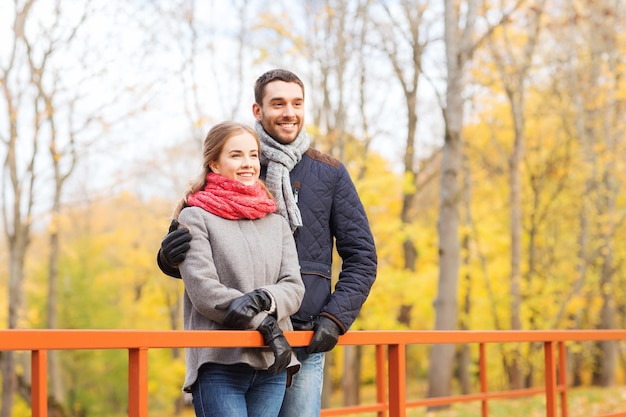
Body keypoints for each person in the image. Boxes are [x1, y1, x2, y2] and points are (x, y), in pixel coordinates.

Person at [158, 69, 378, 417]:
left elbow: (362, 257)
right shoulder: (240, 160)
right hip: (236, 338)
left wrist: (336, 318)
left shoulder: (330, 171)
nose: (289, 112)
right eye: (278, 103)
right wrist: (167, 258)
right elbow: (200, 258)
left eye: (296, 103)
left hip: (304, 334)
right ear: (258, 110)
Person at [173, 121, 305, 417]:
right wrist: (265, 323)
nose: (248, 164)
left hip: (271, 361)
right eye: (236, 155)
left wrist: (262, 299)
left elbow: (293, 286)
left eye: (253, 155)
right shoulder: (195, 217)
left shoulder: (276, 221)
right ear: (214, 165)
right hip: (220, 362)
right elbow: (205, 291)